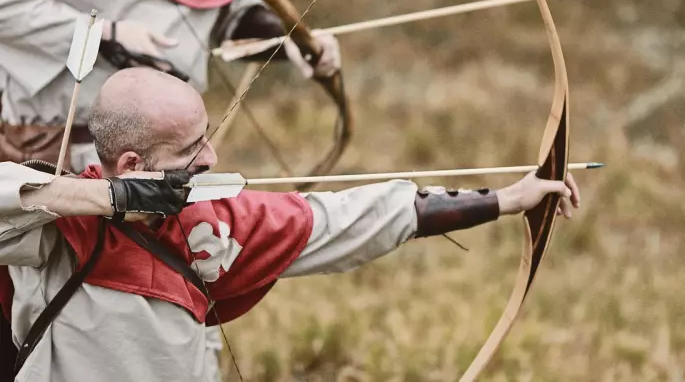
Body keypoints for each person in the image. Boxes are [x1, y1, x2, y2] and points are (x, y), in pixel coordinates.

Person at [0, 68, 581, 381]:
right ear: (131, 166)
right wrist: (104, 198)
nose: (211, 159)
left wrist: (506, 199)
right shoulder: (49, 227)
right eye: (189, 148)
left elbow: (351, 218)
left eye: (207, 136)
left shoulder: (218, 224)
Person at [0, 0, 339, 378]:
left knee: (180, 307)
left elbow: (219, 5)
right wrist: (104, 34)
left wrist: (285, 34)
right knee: (50, 331)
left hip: (169, 161)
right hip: (51, 150)